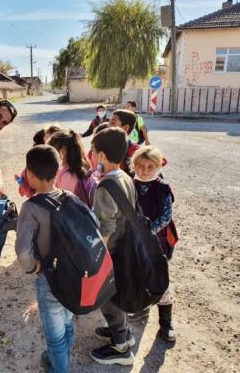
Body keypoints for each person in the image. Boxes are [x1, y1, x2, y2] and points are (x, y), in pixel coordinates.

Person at [15, 145, 75, 372]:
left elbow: (23, 252)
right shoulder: (69, 197)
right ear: (57, 171)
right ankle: (57, 358)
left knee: (55, 337)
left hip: (49, 278)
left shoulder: (30, 207)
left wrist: (32, 268)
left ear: (29, 175)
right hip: (73, 274)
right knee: (68, 320)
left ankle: (59, 364)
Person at [89, 127, 137, 366]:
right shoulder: (125, 177)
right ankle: (124, 333)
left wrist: (99, 260)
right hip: (125, 246)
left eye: (94, 150)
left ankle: (121, 348)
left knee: (108, 296)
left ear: (102, 156)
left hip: (112, 251)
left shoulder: (105, 186)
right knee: (117, 294)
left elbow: (105, 227)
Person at [131, 146, 178, 342]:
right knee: (137, 275)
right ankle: (141, 307)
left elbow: (166, 216)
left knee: (161, 281)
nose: (145, 170)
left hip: (158, 243)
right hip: (134, 242)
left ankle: (166, 322)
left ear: (158, 166)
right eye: (140, 166)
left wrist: (147, 232)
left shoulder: (162, 188)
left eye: (150, 166)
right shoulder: (129, 184)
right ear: (134, 166)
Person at [48, 129, 96, 207]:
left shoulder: (68, 177)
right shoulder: (83, 168)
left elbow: (61, 207)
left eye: (52, 152)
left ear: (62, 152)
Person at [16, 124, 62, 198]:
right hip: (37, 195)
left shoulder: (60, 157)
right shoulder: (39, 154)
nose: (48, 142)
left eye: (51, 139)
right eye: (46, 138)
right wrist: (23, 183)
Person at [109, 109, 140, 177]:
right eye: (109, 122)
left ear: (125, 128)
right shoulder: (108, 143)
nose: (108, 126)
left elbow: (157, 161)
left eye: (113, 123)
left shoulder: (133, 148)